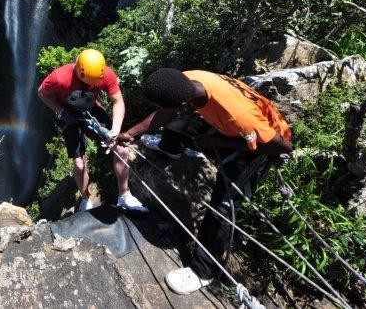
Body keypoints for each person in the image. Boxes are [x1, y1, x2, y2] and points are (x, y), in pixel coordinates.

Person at [116, 68, 292, 294]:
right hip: (229, 127)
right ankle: (170, 149)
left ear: (183, 99)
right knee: (174, 128)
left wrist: (217, 142)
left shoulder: (239, 115)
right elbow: (164, 113)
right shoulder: (188, 80)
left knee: (224, 205)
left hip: (261, 145)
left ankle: (203, 271)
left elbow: (282, 146)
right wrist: (132, 133)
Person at [38, 49, 148, 213]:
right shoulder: (59, 77)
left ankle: (124, 195)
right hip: (67, 112)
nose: (91, 85)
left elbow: (117, 101)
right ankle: (85, 198)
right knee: (79, 164)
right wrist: (61, 111)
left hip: (91, 107)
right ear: (78, 71)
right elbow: (42, 93)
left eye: (94, 83)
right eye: (88, 82)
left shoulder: (106, 74)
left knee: (121, 150)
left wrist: (115, 131)